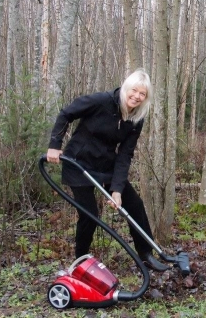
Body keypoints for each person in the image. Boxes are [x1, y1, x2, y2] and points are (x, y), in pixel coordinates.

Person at [46, 68, 169, 272]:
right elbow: (66, 114)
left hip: (106, 165)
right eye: (135, 91)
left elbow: (125, 154)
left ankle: (146, 254)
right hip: (78, 162)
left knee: (135, 205)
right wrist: (54, 145)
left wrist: (117, 190)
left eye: (142, 94)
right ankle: (80, 262)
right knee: (90, 214)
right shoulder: (101, 101)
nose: (137, 96)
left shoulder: (136, 118)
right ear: (127, 88)